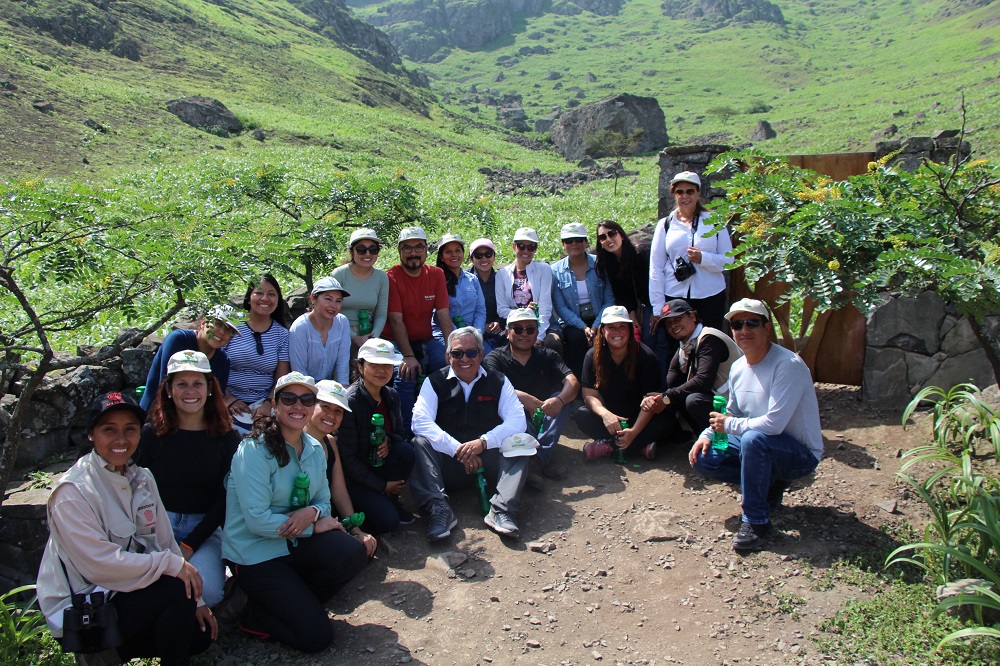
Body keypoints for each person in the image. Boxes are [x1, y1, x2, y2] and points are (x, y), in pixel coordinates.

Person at [37, 392, 215, 666]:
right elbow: (100, 566)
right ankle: (96, 650)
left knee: (198, 635)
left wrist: (198, 599)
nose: (121, 439)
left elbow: (165, 541)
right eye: (109, 430)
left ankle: (111, 653)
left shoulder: (141, 478)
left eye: (130, 430)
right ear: (91, 435)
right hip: (85, 608)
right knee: (174, 590)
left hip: (126, 592)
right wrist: (170, 566)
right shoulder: (74, 492)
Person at [222, 372, 368, 652]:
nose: (297, 406)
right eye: (289, 398)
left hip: (293, 542)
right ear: (275, 404)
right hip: (256, 553)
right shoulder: (253, 450)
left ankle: (295, 601)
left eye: (306, 399)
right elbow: (256, 521)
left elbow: (324, 500)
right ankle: (253, 616)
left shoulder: (314, 447)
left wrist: (312, 511)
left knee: (352, 553)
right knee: (317, 637)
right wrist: (314, 525)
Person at [688, 299, 823, 551]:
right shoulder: (739, 366)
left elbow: (773, 424)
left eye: (752, 323)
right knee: (705, 457)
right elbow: (732, 412)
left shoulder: (787, 365)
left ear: (767, 327)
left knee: (753, 439)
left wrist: (729, 425)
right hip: (761, 445)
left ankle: (756, 521)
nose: (744, 330)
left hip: (798, 453)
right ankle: (768, 484)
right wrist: (707, 433)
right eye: (737, 324)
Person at [137, 350, 241, 608]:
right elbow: (136, 487)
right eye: (181, 384)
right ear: (169, 390)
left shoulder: (227, 438)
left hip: (205, 529)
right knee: (150, 583)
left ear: (209, 389)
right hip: (156, 525)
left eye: (197, 383)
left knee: (208, 591)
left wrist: (189, 544)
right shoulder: (151, 435)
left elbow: (225, 498)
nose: (190, 391)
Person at [410, 327, 529, 540]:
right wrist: (457, 449)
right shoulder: (434, 382)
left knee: (520, 442)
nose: (464, 358)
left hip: (488, 460)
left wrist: (483, 443)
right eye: (457, 353)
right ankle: (438, 510)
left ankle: (502, 509)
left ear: (481, 354)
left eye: (471, 352)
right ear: (448, 357)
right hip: (448, 463)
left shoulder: (498, 380)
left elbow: (517, 420)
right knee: (419, 443)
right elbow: (420, 421)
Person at [649, 171, 733, 378]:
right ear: (673, 194)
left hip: (709, 295)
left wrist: (704, 258)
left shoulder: (714, 221)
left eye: (689, 191)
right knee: (673, 349)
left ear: (698, 193)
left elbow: (730, 260)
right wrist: (658, 307)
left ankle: (707, 391)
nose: (684, 196)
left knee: (709, 345)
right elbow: (656, 266)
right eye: (679, 192)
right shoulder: (665, 225)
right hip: (675, 295)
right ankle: (673, 394)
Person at [483, 308, 579, 485]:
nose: (524, 334)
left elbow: (572, 382)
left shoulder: (548, 355)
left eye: (530, 329)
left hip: (542, 417)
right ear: (507, 332)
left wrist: (559, 400)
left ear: (537, 331)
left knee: (564, 397)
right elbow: (491, 385)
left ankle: (536, 460)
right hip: (512, 420)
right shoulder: (495, 358)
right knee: (508, 404)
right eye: (518, 329)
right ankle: (539, 460)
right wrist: (522, 397)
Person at [573, 306, 675, 461]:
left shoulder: (646, 356)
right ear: (603, 330)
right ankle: (639, 446)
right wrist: (605, 415)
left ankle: (610, 447)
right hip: (611, 419)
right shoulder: (592, 355)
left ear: (630, 329)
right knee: (581, 414)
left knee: (668, 422)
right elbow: (589, 395)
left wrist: (633, 432)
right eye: (611, 327)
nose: (617, 332)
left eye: (622, 327)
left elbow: (651, 401)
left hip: (640, 417)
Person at [337, 338, 416, 534]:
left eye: (387, 366)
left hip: (381, 466)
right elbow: (347, 458)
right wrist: (382, 486)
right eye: (374, 365)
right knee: (387, 522)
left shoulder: (391, 395)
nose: (382, 371)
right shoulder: (350, 402)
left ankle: (391, 499)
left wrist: (388, 441)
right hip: (356, 478)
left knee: (406, 450)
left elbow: (400, 433)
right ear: (361, 367)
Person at [383, 226, 453, 432]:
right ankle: (405, 429)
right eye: (407, 248)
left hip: (426, 339)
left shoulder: (436, 274)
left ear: (426, 250)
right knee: (406, 374)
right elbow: (396, 321)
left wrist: (451, 348)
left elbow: (443, 316)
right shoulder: (391, 277)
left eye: (418, 247)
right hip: (395, 341)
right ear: (399, 251)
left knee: (448, 367)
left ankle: (445, 423)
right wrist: (408, 355)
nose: (413, 253)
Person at [641, 299, 742, 433]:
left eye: (678, 319)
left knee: (692, 400)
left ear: (693, 316)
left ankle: (721, 443)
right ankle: (699, 439)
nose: (673, 326)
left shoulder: (709, 338)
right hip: (719, 401)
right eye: (669, 323)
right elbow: (670, 385)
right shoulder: (683, 348)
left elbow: (703, 381)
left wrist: (666, 397)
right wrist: (653, 399)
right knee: (675, 397)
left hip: (738, 405)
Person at [303, 380, 378, 558]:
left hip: (323, 516)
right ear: (312, 405)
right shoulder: (296, 440)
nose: (331, 415)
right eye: (325, 407)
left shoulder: (330, 442)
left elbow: (339, 491)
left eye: (338, 411)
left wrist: (355, 530)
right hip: (302, 522)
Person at [140, 304, 240, 410]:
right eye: (218, 324)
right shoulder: (178, 340)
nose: (222, 332)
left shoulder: (223, 360)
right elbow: (165, 387)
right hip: (156, 412)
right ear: (203, 322)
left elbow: (215, 400)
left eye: (228, 330)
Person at [224, 275, 291, 433]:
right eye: (259, 293)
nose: (265, 298)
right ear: (249, 298)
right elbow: (214, 364)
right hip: (227, 399)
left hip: (263, 404)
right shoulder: (231, 324)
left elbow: (281, 380)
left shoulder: (282, 335)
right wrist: (229, 399)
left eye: (271, 294)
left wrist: (268, 403)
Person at [550, 222, 614, 379]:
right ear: (563, 244)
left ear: (585, 242)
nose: (574, 244)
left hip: (600, 316)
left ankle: (605, 381)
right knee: (576, 339)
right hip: (574, 321)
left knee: (605, 337)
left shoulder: (601, 264)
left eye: (578, 240)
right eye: (569, 241)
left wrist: (596, 325)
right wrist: (583, 327)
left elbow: (609, 299)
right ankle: (580, 385)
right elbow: (560, 306)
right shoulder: (555, 270)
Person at [331, 228, 390, 378]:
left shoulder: (381, 278)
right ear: (352, 252)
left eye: (373, 249)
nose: (368, 254)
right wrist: (353, 337)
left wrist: (372, 337)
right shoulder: (339, 275)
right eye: (361, 250)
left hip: (368, 333)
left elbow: (381, 313)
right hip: (339, 330)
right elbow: (330, 309)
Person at [594, 219, 655, 354]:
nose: (608, 239)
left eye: (612, 233)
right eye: (603, 237)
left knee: (652, 341)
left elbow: (653, 283)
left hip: (653, 303)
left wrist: (655, 309)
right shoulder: (609, 262)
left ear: (621, 234)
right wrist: (632, 314)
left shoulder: (640, 254)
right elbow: (620, 291)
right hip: (636, 307)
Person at [427, 233, 486, 371]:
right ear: (441, 256)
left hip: (473, 335)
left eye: (457, 250)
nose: (454, 255)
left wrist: (477, 334)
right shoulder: (437, 280)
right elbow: (442, 314)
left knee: (487, 360)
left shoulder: (472, 279)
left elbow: (480, 310)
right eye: (448, 252)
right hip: (443, 336)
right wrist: (461, 337)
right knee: (445, 365)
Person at [495, 227, 558, 350]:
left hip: (541, 324)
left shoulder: (543, 269)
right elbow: (501, 309)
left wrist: (539, 336)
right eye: (521, 246)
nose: (526, 251)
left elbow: (545, 305)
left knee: (552, 343)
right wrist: (524, 313)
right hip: (514, 325)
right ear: (514, 246)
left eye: (531, 247)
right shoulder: (502, 274)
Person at [289, 276, 352, 385]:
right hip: (304, 389)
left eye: (338, 301)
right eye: (328, 299)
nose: (333, 305)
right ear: (313, 298)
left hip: (331, 388)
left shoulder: (342, 322)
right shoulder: (300, 327)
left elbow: (342, 363)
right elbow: (299, 372)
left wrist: (342, 392)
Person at [468, 238, 505, 352]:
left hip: (500, 330)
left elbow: (510, 305)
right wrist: (481, 325)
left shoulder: (503, 278)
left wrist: (499, 322)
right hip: (472, 330)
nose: (484, 258)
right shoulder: (465, 280)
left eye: (488, 254)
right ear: (472, 258)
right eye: (478, 255)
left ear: (494, 257)